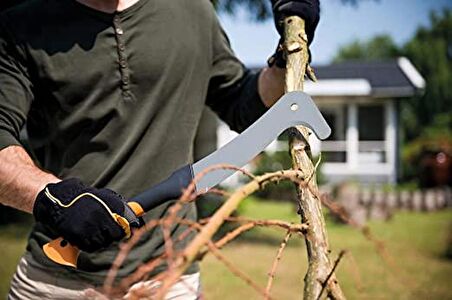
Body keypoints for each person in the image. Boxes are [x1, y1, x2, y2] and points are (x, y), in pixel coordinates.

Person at [0, 0, 319, 298]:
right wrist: (50, 196)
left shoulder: (191, 10)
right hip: (54, 281)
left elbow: (243, 103)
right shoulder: (22, 26)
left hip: (169, 281)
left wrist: (286, 55)